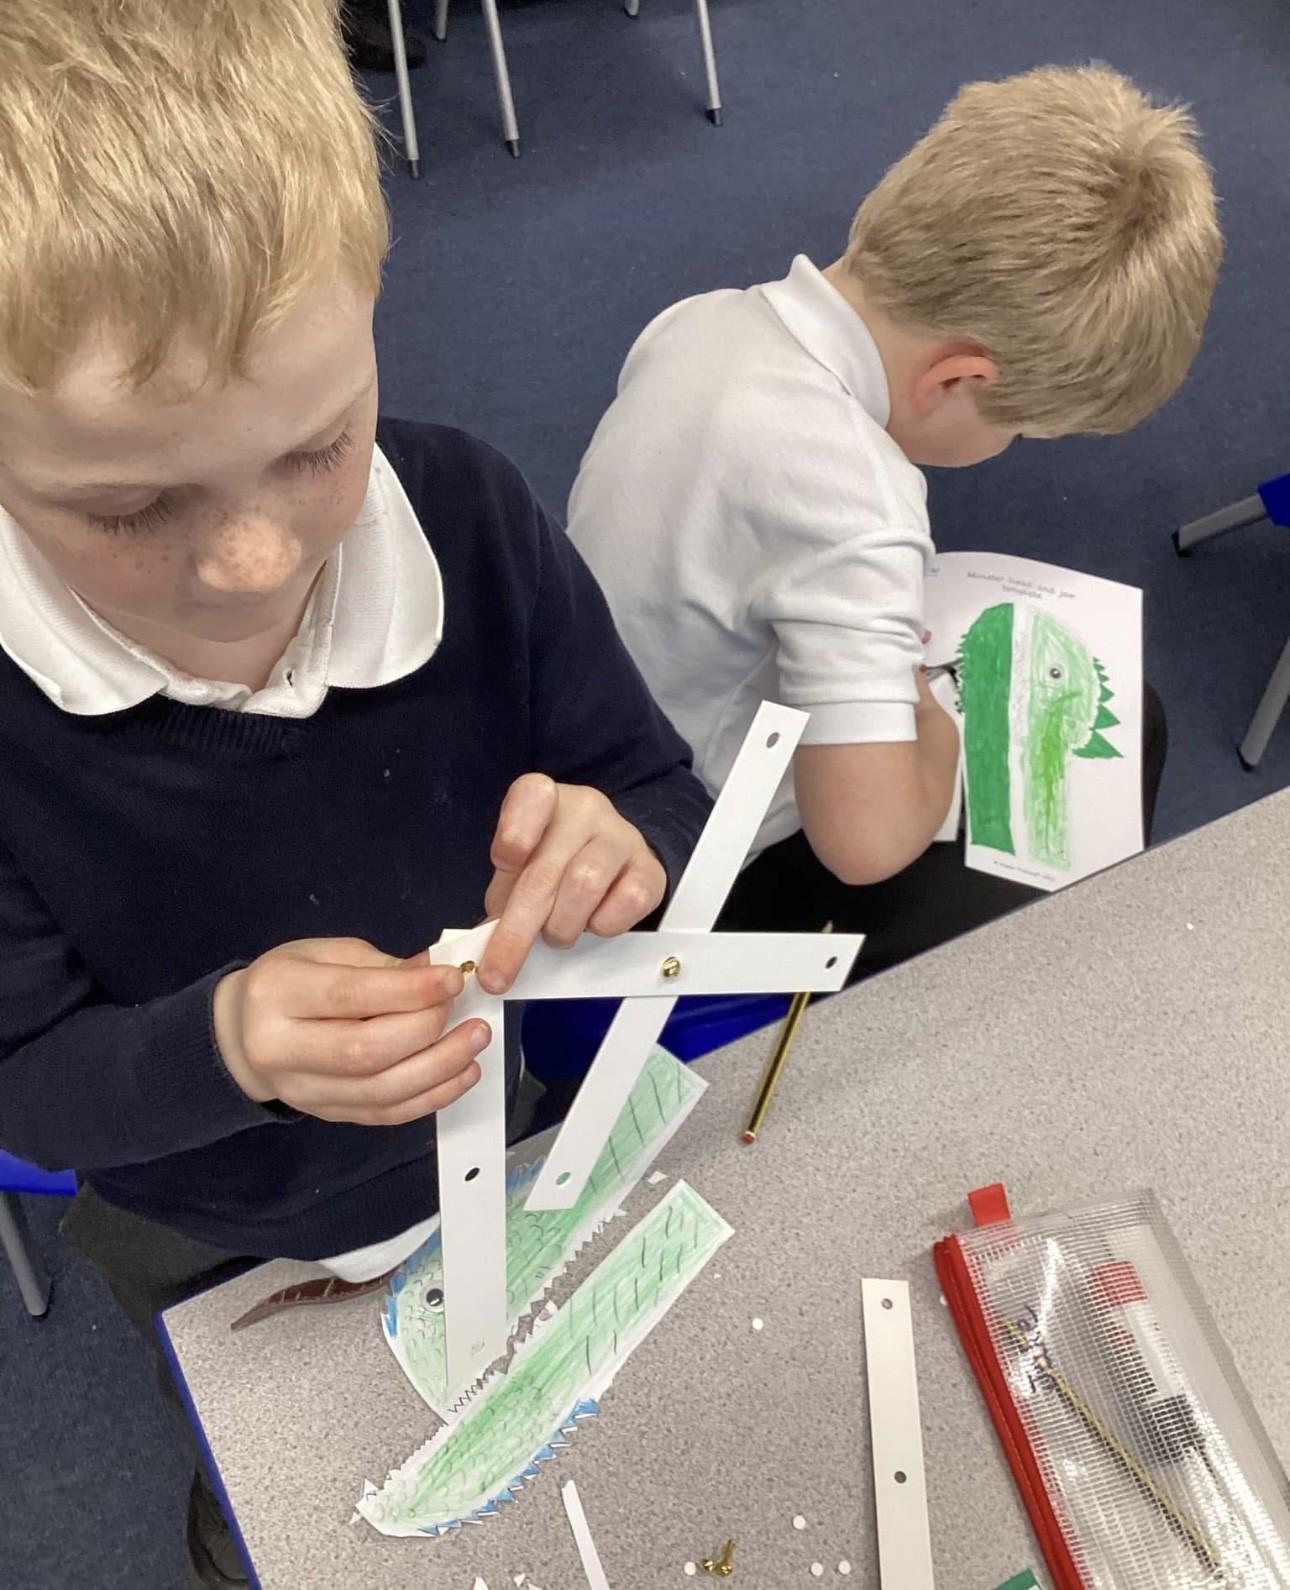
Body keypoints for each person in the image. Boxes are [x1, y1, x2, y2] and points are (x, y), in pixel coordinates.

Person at [0, 3, 710, 1586]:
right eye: (130, 506)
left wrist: (621, 851)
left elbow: (652, 785)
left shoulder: (468, 517)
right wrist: (229, 1042)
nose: (253, 560)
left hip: (493, 1123)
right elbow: (25, 1088)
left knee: (536, 1414)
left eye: (317, 446)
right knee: (283, 1483)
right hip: (205, 1217)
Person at [566, 65, 1221, 963]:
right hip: (682, 860)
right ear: (959, 379)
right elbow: (865, 845)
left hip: (588, 751)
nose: (1010, 445)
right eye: (1019, 430)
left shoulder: (702, 320)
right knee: (1119, 747)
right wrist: (938, 728)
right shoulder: (858, 499)